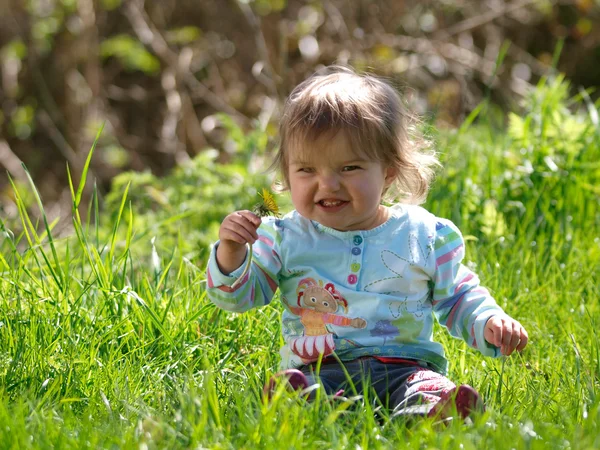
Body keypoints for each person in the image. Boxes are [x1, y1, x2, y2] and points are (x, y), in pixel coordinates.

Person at [205, 65, 528, 420]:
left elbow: (458, 295)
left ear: (388, 170)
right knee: (305, 390)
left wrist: (489, 321)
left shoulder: (422, 234)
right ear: (287, 174)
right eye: (307, 170)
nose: (327, 185)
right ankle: (301, 405)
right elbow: (237, 298)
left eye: (349, 168)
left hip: (405, 366)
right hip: (322, 367)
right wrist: (232, 253)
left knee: (427, 388)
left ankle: (434, 413)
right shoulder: (285, 238)